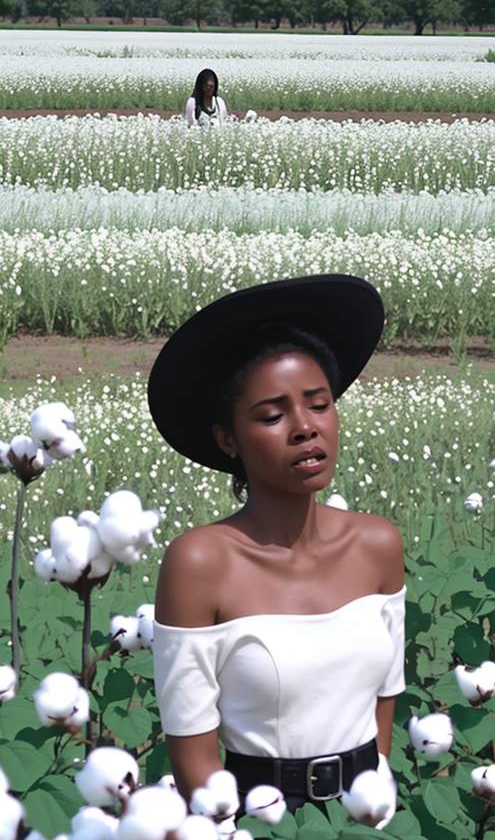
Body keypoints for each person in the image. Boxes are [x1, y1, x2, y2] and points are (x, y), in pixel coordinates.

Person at [148, 274, 406, 824]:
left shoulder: (378, 544)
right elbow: (193, 753)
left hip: (369, 817)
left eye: (319, 404)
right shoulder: (200, 563)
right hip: (255, 822)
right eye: (272, 415)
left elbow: (385, 696)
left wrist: (374, 802)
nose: (305, 428)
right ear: (228, 439)